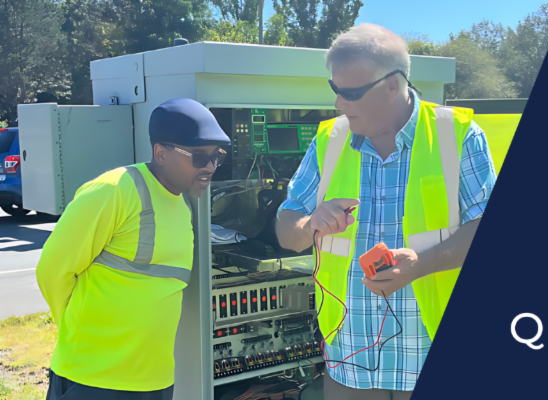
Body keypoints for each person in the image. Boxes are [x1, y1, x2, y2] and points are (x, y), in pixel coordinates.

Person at [275, 23, 496, 399]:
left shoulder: (458, 135)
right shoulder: (328, 140)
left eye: (350, 93)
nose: (338, 104)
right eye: (335, 90)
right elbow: (285, 230)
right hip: (349, 358)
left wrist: (423, 262)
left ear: (393, 86)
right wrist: (309, 223)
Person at [36, 98, 230, 399]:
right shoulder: (114, 190)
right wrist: (77, 332)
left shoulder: (181, 205)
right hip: (93, 379)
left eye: (217, 157)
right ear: (160, 153)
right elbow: (52, 270)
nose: (210, 167)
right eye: (198, 157)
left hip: (155, 382)